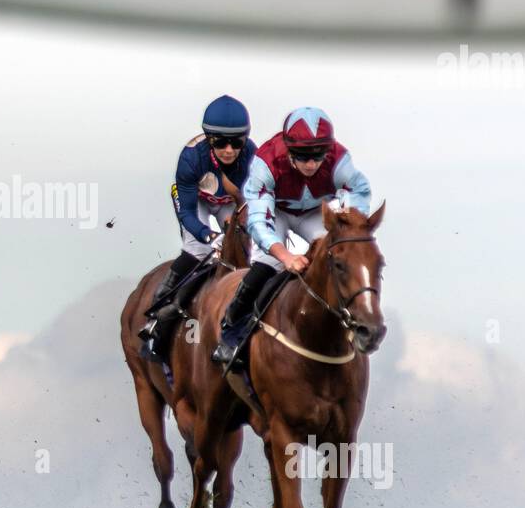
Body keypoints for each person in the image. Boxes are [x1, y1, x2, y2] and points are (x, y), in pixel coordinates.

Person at [211, 106, 372, 366]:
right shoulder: (266, 162)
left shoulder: (339, 159)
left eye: (318, 156)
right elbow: (258, 222)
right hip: (277, 211)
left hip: (314, 212)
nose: (311, 164)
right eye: (302, 156)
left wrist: (349, 222)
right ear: (288, 150)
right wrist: (285, 256)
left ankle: (356, 322)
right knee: (270, 264)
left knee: (342, 256)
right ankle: (231, 331)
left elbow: (359, 191)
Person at [139, 94, 261, 361]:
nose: (229, 150)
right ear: (208, 139)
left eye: (236, 142)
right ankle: (156, 319)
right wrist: (209, 234)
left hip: (230, 201)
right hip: (197, 202)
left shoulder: (253, 158)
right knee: (198, 248)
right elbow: (187, 213)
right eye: (220, 142)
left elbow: (257, 202)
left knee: (247, 249)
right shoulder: (191, 158)